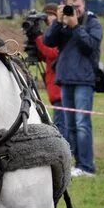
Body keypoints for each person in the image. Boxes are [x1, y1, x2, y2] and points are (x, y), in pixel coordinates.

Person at [42, 0, 103, 176]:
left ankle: (87, 166)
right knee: (70, 125)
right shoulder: (63, 24)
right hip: (65, 78)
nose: (75, 10)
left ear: (84, 5)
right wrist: (59, 22)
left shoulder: (92, 23)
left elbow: (90, 46)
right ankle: (73, 164)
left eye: (78, 6)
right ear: (64, 5)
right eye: (71, 6)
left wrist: (76, 26)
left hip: (84, 79)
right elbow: (48, 41)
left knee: (82, 123)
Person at [34, 7, 67, 139]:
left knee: (61, 122)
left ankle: (64, 146)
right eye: (45, 16)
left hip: (59, 87)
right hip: (54, 85)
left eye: (50, 15)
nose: (47, 18)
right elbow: (45, 56)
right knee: (61, 120)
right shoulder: (48, 35)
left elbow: (52, 52)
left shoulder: (59, 33)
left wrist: (38, 39)